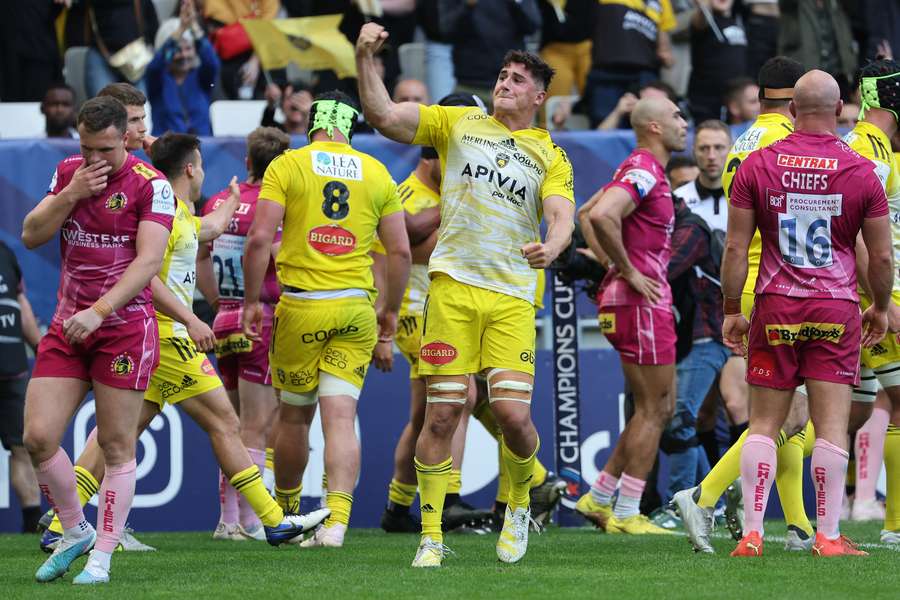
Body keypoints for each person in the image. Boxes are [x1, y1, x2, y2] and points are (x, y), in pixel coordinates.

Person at [356, 22, 575, 567]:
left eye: (518, 79)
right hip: (452, 292)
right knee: (441, 415)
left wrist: (554, 245)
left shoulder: (550, 153)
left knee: (512, 417)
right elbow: (384, 116)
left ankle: (519, 501)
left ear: (539, 97)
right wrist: (364, 59)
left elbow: (562, 215)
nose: (505, 83)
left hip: (511, 297)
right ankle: (430, 538)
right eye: (502, 75)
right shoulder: (458, 123)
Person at [722, 69, 892, 557]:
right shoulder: (860, 170)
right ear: (841, 110)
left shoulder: (758, 164)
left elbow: (736, 248)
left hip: (775, 303)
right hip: (836, 307)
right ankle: (828, 536)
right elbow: (879, 257)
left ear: (792, 110)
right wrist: (880, 306)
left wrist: (733, 308)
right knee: (833, 425)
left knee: (763, 424)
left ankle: (752, 534)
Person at [242, 90, 411, 549]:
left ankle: (291, 515)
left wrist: (252, 301)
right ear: (352, 127)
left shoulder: (288, 165)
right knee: (341, 418)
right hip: (356, 305)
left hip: (302, 305)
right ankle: (336, 524)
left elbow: (259, 240)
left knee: (295, 417)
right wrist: (390, 311)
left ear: (312, 123)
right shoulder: (377, 172)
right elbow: (399, 251)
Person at [20, 96, 174, 584]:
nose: (94, 159)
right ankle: (75, 530)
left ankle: (103, 556)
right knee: (38, 436)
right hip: (69, 325)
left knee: (114, 444)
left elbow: (148, 263)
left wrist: (100, 310)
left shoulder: (153, 186)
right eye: (86, 148)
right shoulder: (70, 172)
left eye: (104, 149)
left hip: (123, 327)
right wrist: (70, 195)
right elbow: (30, 234)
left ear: (125, 139)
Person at [673, 56, 811, 555]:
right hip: (779, 283)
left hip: (751, 281)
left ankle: (798, 527)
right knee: (784, 415)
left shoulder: (746, 140)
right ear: (797, 102)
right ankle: (702, 493)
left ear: (760, 95)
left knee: (789, 411)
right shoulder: (787, 145)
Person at [574, 97, 687, 535]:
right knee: (655, 409)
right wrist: (628, 271)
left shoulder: (638, 168)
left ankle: (599, 497)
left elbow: (587, 214)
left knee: (657, 405)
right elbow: (601, 215)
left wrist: (614, 268)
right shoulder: (644, 169)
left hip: (630, 301)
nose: (684, 123)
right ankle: (627, 512)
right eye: (677, 116)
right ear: (655, 126)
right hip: (640, 302)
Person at [196, 127, 291, 537]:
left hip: (225, 318)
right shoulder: (274, 208)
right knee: (256, 425)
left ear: (248, 161)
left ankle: (228, 519)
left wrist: (218, 302)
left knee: (230, 424)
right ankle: (251, 520)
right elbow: (275, 257)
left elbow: (200, 256)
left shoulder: (219, 201)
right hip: (261, 316)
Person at [842, 59, 900, 542]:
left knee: (848, 412)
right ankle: (895, 527)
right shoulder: (870, 147)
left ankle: (719, 492)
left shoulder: (867, 142)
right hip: (875, 297)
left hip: (856, 293)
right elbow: (857, 231)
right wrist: (881, 300)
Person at [662, 120, 732, 502]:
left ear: (730, 148)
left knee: (736, 405)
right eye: (704, 148)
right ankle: (714, 500)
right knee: (695, 414)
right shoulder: (681, 199)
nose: (711, 156)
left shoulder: (747, 190)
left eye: (719, 148)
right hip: (695, 322)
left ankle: (724, 496)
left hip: (743, 321)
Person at [0, 241, 43, 533]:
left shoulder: (4, 252)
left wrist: (40, 347)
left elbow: (20, 302)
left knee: (23, 447)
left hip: (13, 368)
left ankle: (32, 522)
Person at [585, 0, 676, 127]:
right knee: (604, 123)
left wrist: (667, 56)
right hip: (606, 72)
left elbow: (664, 47)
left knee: (650, 126)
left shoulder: (662, 2)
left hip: (645, 75)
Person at [145, 0, 220, 136]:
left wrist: (193, 27)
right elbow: (156, 64)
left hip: (202, 151)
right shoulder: (158, 80)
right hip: (166, 152)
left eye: (188, 48)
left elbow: (212, 62)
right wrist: (180, 30)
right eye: (178, 50)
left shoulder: (201, 78)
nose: (183, 55)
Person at [97, 83, 150, 153]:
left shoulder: (148, 159)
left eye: (142, 118)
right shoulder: (79, 163)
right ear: (107, 123)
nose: (144, 129)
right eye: (134, 120)